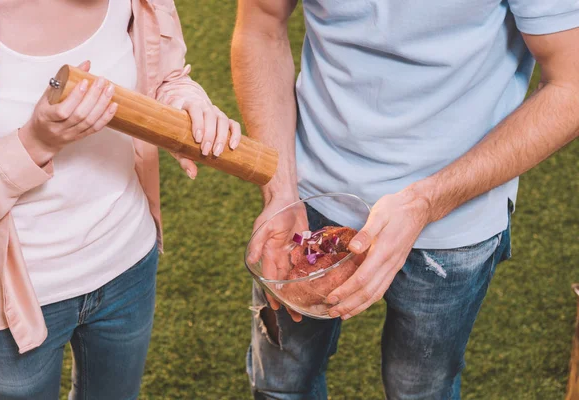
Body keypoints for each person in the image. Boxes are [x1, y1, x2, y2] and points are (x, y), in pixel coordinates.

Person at [232, 0, 579, 398]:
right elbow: (262, 24)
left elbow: (570, 85)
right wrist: (280, 189)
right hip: (309, 195)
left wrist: (426, 202)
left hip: (452, 221)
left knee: (419, 391)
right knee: (281, 384)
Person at [0, 1, 241, 399]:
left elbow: (164, 75)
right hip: (7, 303)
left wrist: (184, 102)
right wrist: (36, 142)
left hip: (128, 263)